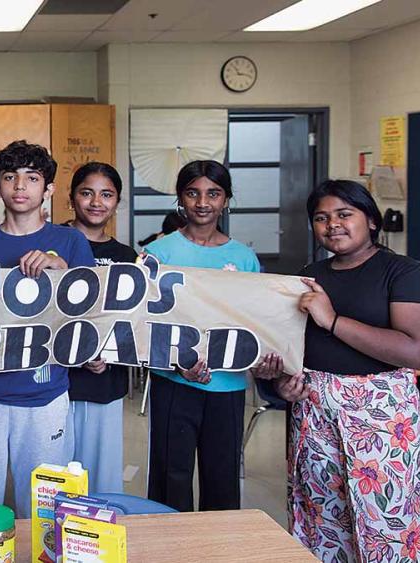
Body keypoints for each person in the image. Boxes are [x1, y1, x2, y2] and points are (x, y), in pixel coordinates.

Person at [269, 180, 420, 562]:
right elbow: (294, 348)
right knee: (321, 520)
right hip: (315, 413)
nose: (332, 225)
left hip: (381, 420)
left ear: (371, 220)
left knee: (385, 523)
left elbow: (416, 350)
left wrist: (333, 320)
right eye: (321, 218)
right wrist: (281, 383)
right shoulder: (309, 274)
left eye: (344, 214)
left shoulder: (403, 272)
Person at [0, 140, 95, 519]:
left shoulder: (70, 241)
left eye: (32, 178)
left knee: (45, 508)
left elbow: (93, 309)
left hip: (45, 393)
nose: (20, 186)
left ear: (47, 189)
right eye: (10, 177)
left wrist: (60, 268)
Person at [143, 159, 264, 513]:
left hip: (227, 387)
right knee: (171, 477)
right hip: (173, 384)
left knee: (222, 478)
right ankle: (169, 550)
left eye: (213, 193)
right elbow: (145, 323)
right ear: (180, 198)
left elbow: (255, 320)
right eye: (192, 193)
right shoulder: (158, 254)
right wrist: (179, 365)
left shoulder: (243, 258)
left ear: (226, 199)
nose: (203, 202)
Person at [61, 162, 136, 494]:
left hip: (106, 381)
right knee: (56, 478)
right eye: (86, 193)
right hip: (57, 382)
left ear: (117, 201)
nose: (96, 202)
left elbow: (132, 323)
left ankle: (96, 539)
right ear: (71, 197)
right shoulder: (53, 243)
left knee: (101, 482)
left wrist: (107, 353)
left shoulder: (126, 256)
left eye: (107, 194)